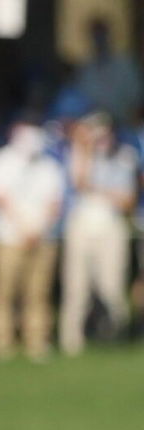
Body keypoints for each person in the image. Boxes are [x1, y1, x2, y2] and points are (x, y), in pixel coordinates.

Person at [0, 118, 66, 361]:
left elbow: (55, 203)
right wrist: (23, 227)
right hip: (8, 238)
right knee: (3, 292)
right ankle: (1, 344)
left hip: (43, 239)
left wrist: (36, 229)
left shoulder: (49, 166)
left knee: (38, 293)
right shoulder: (0, 161)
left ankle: (37, 342)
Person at [59, 109, 137, 355]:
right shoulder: (79, 153)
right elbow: (79, 182)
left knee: (111, 286)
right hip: (81, 225)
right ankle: (71, 342)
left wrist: (99, 189)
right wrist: (85, 148)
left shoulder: (125, 156)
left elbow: (127, 200)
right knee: (76, 287)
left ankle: (115, 335)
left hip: (111, 227)